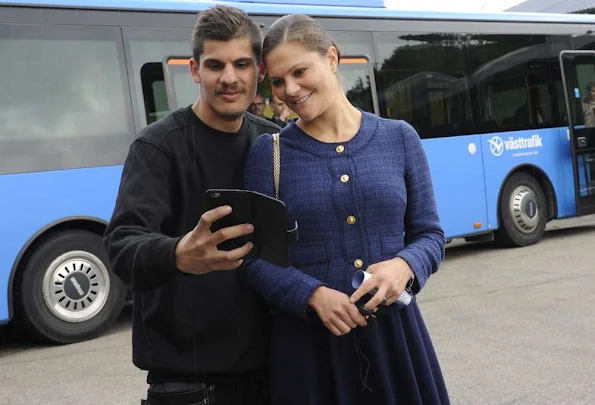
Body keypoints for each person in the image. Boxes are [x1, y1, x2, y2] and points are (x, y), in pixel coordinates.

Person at [241, 14, 450, 405]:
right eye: (278, 81)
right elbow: (253, 259)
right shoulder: (268, 154)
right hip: (308, 353)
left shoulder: (399, 138)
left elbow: (430, 234)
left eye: (300, 71)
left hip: (397, 342)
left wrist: (404, 266)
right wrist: (312, 294)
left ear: (332, 59)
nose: (290, 89)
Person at [103, 5, 280, 405]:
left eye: (242, 64)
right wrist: (178, 254)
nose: (230, 78)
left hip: (275, 372)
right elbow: (120, 246)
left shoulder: (276, 142)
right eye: (215, 65)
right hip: (189, 386)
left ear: (260, 71)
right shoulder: (157, 146)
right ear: (195, 69)